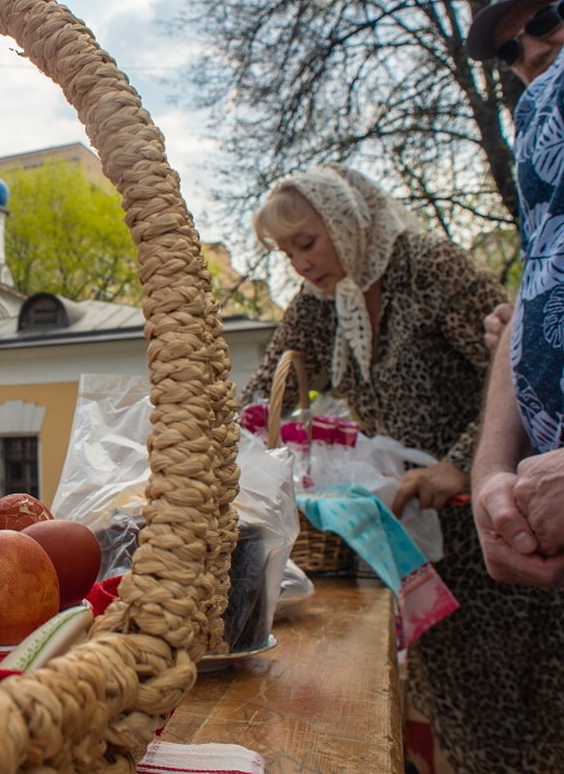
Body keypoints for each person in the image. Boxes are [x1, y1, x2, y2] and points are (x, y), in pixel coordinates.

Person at [241, 163, 564, 772]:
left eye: (306, 243)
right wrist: (227, 443)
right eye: (287, 254)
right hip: (412, 532)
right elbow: (267, 388)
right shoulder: (321, 303)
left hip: (495, 519)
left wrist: (462, 464)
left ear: (348, 221)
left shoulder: (430, 268)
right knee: (454, 702)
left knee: (522, 707)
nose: (300, 265)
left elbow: (521, 376)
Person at [466, 0, 564, 588]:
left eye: (548, 19)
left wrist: (452, 471)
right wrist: (489, 478)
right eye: (509, 49)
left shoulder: (430, 269)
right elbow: (534, 290)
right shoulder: (537, 128)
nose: (528, 52)